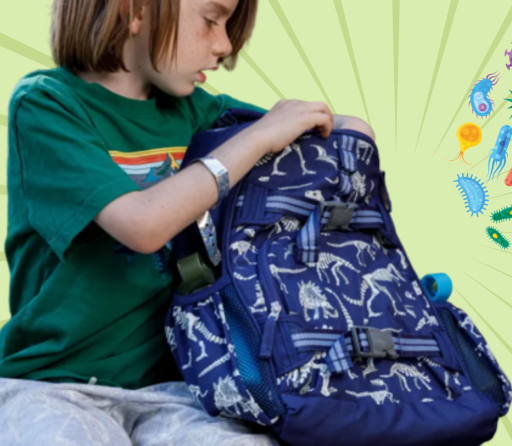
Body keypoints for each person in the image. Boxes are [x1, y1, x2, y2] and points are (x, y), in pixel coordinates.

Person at [0, 0, 374, 444]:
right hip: (56, 385)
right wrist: (256, 138)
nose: (225, 44)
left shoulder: (197, 112)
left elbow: (343, 132)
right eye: (212, 20)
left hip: (186, 390)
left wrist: (344, 132)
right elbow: (142, 225)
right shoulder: (47, 105)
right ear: (134, 11)